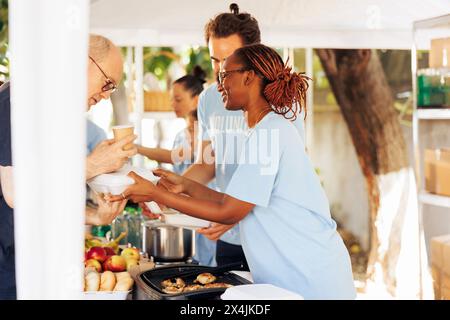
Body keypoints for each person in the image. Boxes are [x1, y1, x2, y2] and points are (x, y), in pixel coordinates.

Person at [109, 44, 356, 299]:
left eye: (224, 75)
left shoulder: (270, 133)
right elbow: (234, 201)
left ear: (249, 77)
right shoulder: (263, 130)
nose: (219, 85)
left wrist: (155, 194)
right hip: (293, 276)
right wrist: (185, 186)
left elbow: (228, 212)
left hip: (311, 278)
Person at [0, 34, 133, 299]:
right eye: (107, 83)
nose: (106, 96)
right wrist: (93, 165)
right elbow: (17, 194)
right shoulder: (18, 101)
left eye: (112, 88)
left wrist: (95, 216)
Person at [178, 4, 304, 269]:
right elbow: (207, 162)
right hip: (230, 236)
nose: (220, 69)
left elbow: (283, 177)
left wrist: (232, 214)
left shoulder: (281, 100)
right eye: (214, 59)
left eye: (229, 59)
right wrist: (166, 189)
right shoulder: (209, 99)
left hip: (272, 236)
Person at [137, 67, 217, 267]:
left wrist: (137, 149)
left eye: (178, 99)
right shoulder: (182, 133)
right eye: (172, 99)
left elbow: (177, 157)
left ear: (198, 99)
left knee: (204, 261)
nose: (173, 104)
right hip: (184, 208)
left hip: (202, 208)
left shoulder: (199, 130)